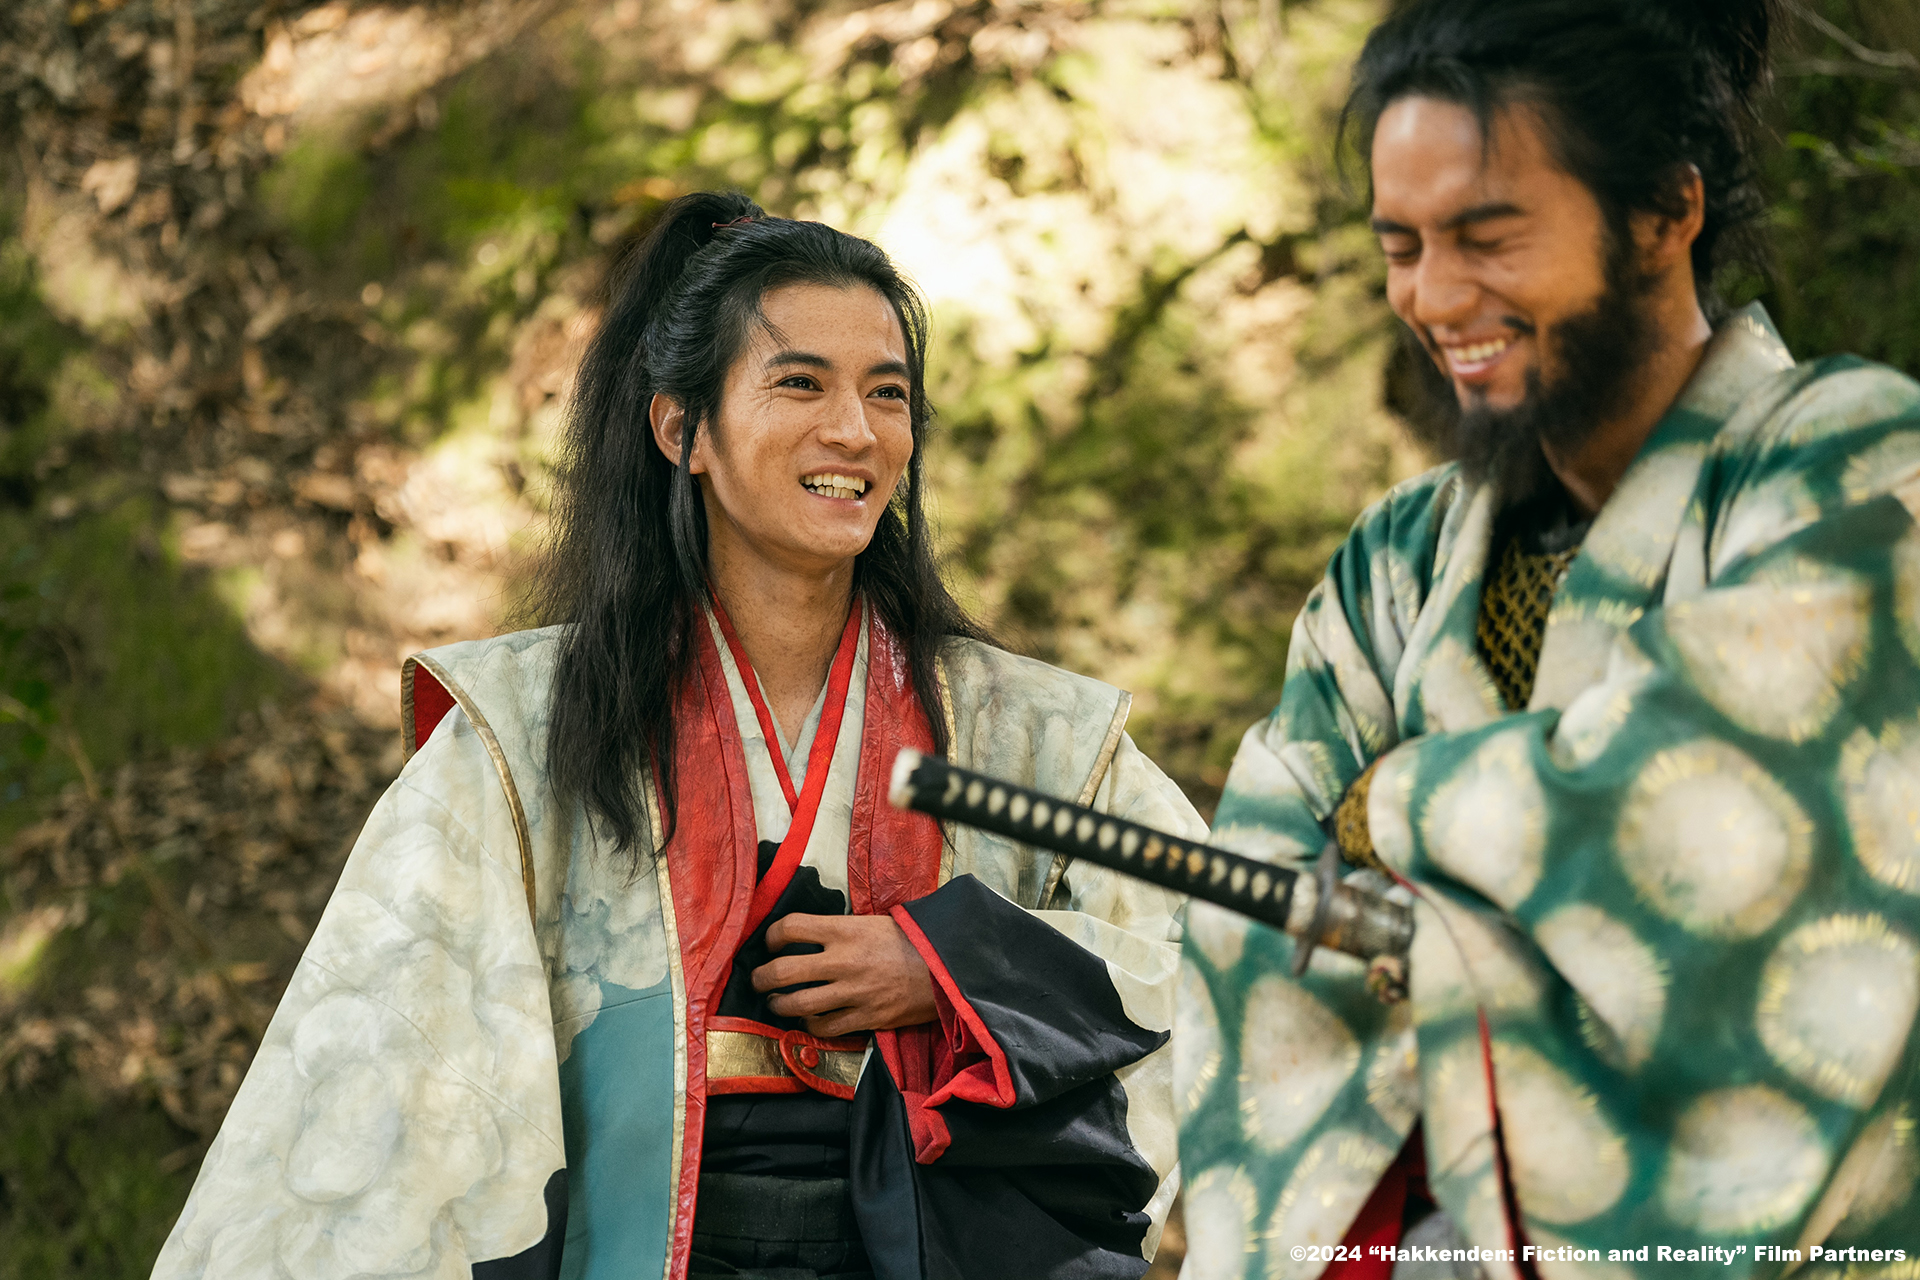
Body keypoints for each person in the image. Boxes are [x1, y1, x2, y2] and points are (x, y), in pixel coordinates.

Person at [152, 193, 1203, 1280]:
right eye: (800, 382)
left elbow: (1233, 944)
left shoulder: (1019, 731)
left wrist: (951, 967)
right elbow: (384, 1060)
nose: (855, 430)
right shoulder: (528, 725)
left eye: (887, 394)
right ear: (679, 426)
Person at [1175, 1, 1920, 1277]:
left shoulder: (1852, 463)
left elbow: (1702, 824)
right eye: (1400, 245)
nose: (1435, 294)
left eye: (1488, 234)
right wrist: (1485, 866)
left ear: (1664, 214)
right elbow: (1251, 888)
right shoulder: (1394, 559)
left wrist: (1390, 805)